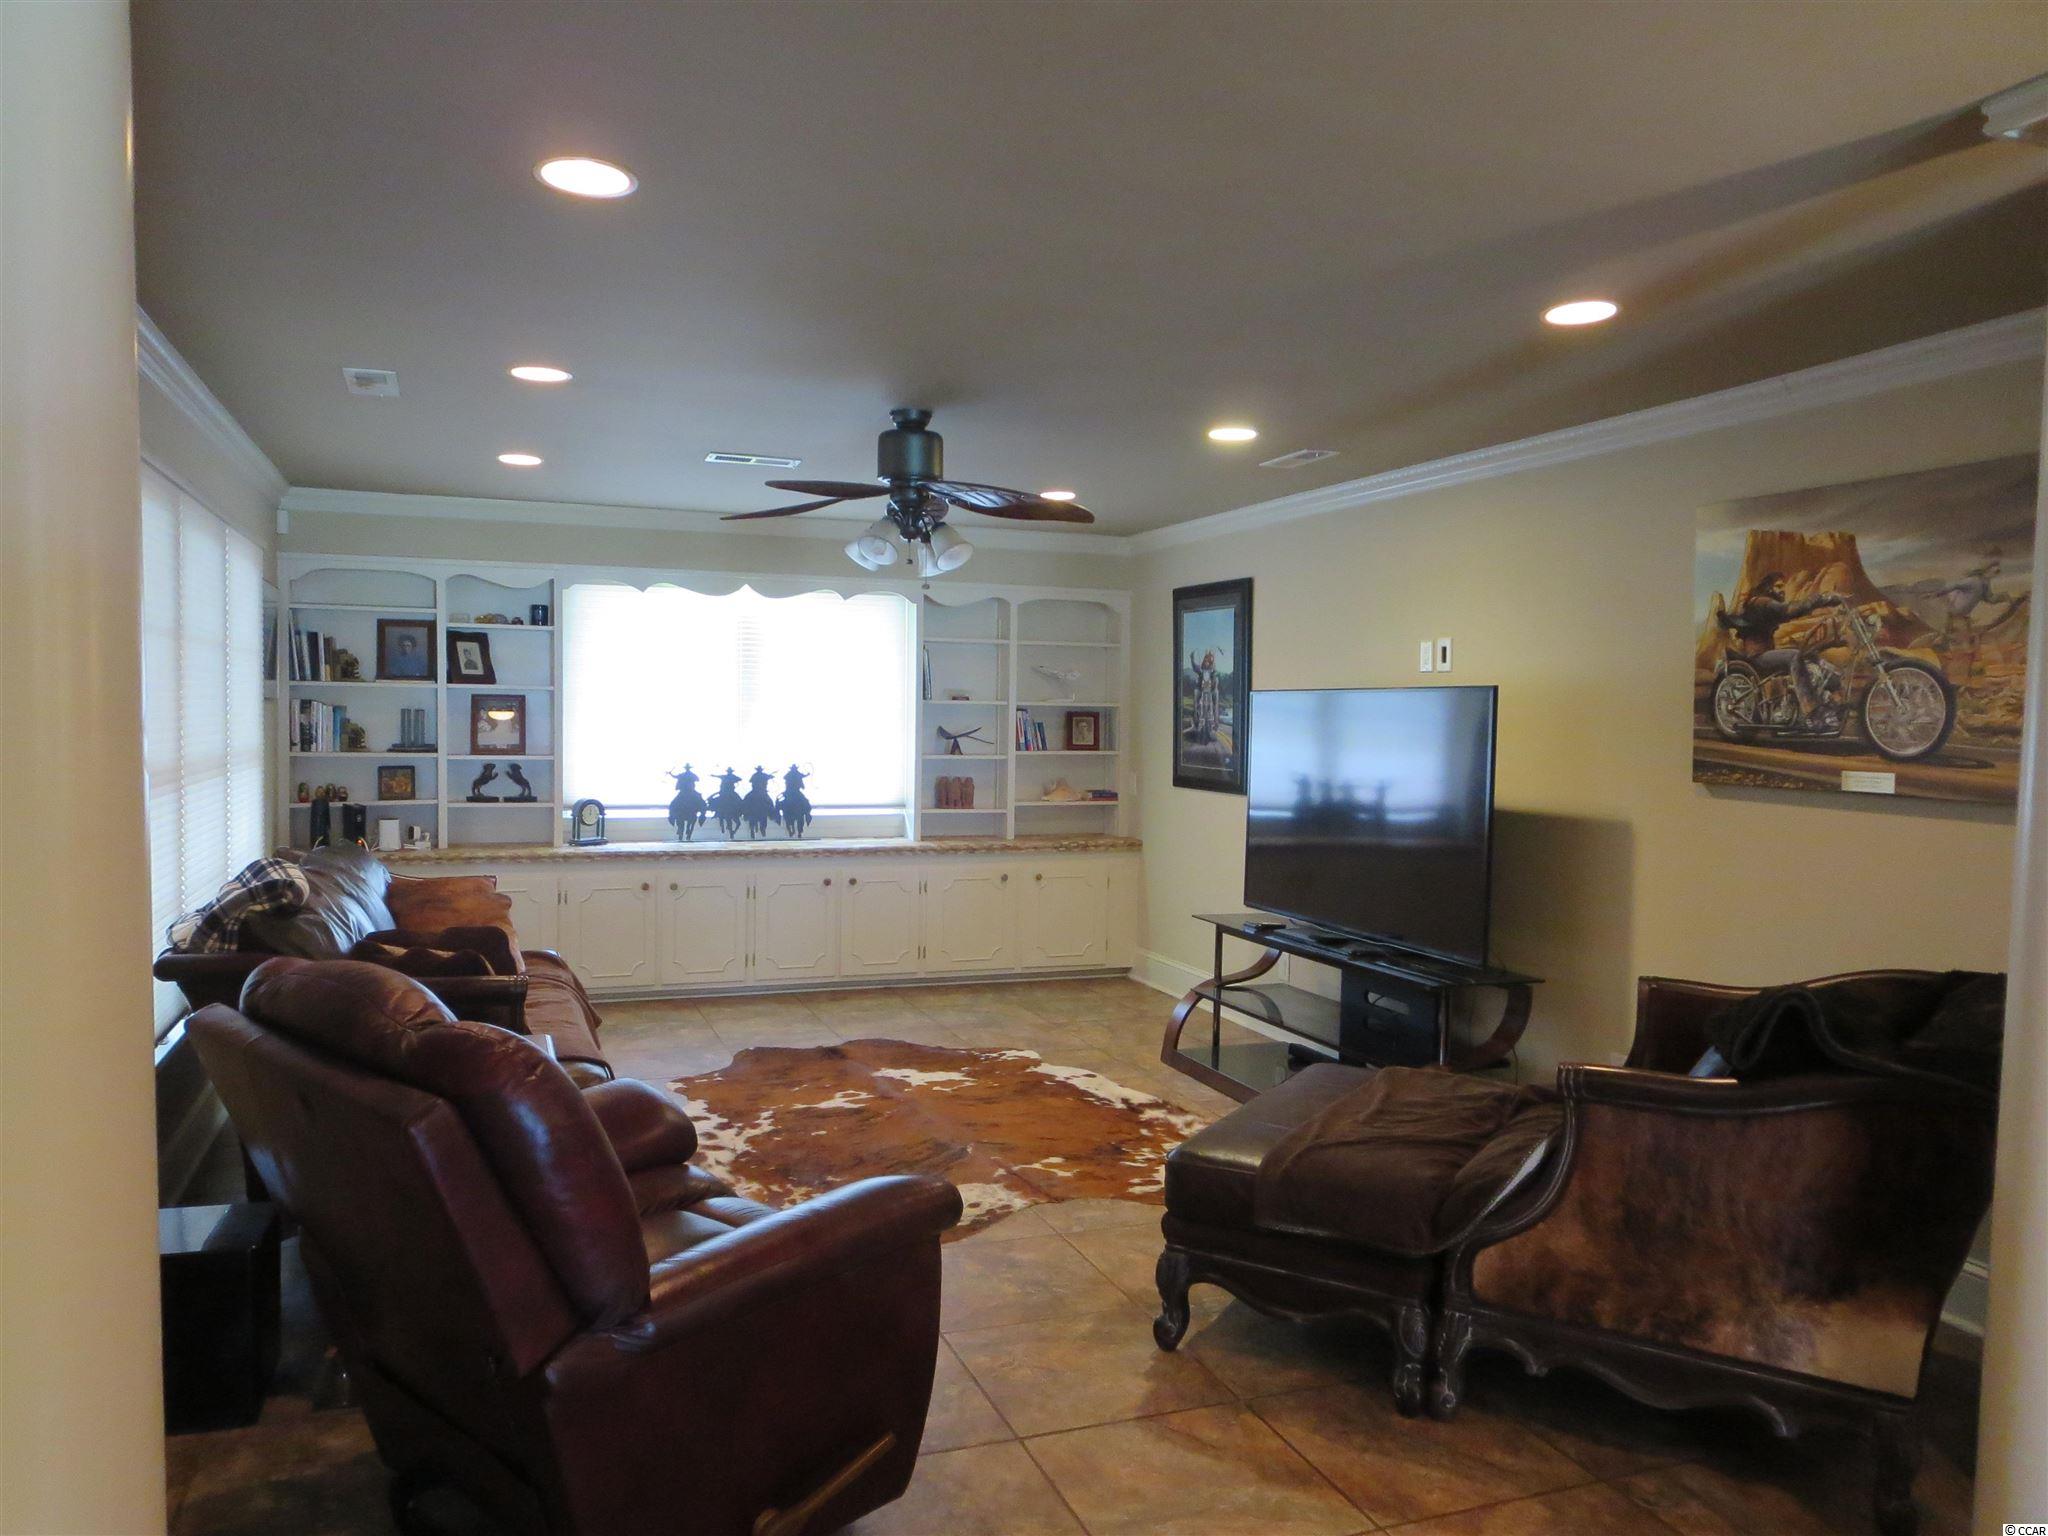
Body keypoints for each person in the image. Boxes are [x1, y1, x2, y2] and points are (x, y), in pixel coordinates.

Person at [1718, 572, 1845, 723]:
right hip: (1757, 657)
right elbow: (1789, 610)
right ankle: (1812, 710)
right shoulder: (1760, 602)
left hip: (1767, 654)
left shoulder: (1765, 606)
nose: (1782, 590)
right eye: (1778, 586)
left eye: (1783, 587)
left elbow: (1789, 613)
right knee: (1794, 656)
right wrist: (1821, 599)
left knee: (1810, 655)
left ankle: (1835, 696)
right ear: (1768, 588)